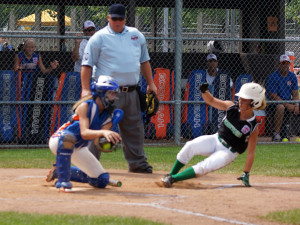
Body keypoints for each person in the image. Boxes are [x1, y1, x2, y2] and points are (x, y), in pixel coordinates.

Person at [80, 3, 157, 173]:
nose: (117, 21)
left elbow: (144, 61)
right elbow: (87, 65)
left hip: (131, 91)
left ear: (125, 19)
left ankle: (138, 164)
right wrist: (85, 90)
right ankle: (88, 166)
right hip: (106, 93)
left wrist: (151, 83)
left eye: (120, 18)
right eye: (114, 18)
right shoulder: (99, 37)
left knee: (134, 129)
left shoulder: (136, 35)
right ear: (108, 18)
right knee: (99, 128)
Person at [160, 82, 266, 188]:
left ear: (255, 102)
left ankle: (173, 179)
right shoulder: (231, 107)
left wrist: (246, 173)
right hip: (216, 139)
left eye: (245, 99)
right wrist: (204, 92)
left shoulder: (252, 127)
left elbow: (251, 153)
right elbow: (211, 100)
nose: (240, 101)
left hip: (228, 153)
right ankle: (170, 174)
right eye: (240, 98)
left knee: (204, 167)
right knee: (190, 146)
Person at [47, 76, 122, 192]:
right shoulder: (86, 106)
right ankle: (63, 181)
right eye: (110, 93)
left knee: (101, 180)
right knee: (68, 137)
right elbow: (85, 133)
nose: (113, 97)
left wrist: (106, 144)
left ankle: (59, 171)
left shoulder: (109, 114)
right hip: (60, 140)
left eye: (114, 93)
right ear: (100, 93)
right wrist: (103, 132)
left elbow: (97, 142)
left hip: (79, 147)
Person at [266, 54, 299, 142]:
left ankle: (296, 134)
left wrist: (296, 104)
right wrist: (288, 105)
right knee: (281, 107)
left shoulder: (292, 76)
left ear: (289, 64)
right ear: (279, 64)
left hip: (288, 101)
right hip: (274, 103)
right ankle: (276, 134)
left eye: (286, 63)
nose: (285, 65)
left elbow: (295, 94)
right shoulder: (273, 76)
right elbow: (273, 96)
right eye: (283, 63)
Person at [204, 53, 234, 134]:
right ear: (207, 63)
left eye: (214, 61)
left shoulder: (223, 75)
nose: (212, 63)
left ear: (217, 63)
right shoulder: (203, 75)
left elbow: (231, 87)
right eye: (210, 61)